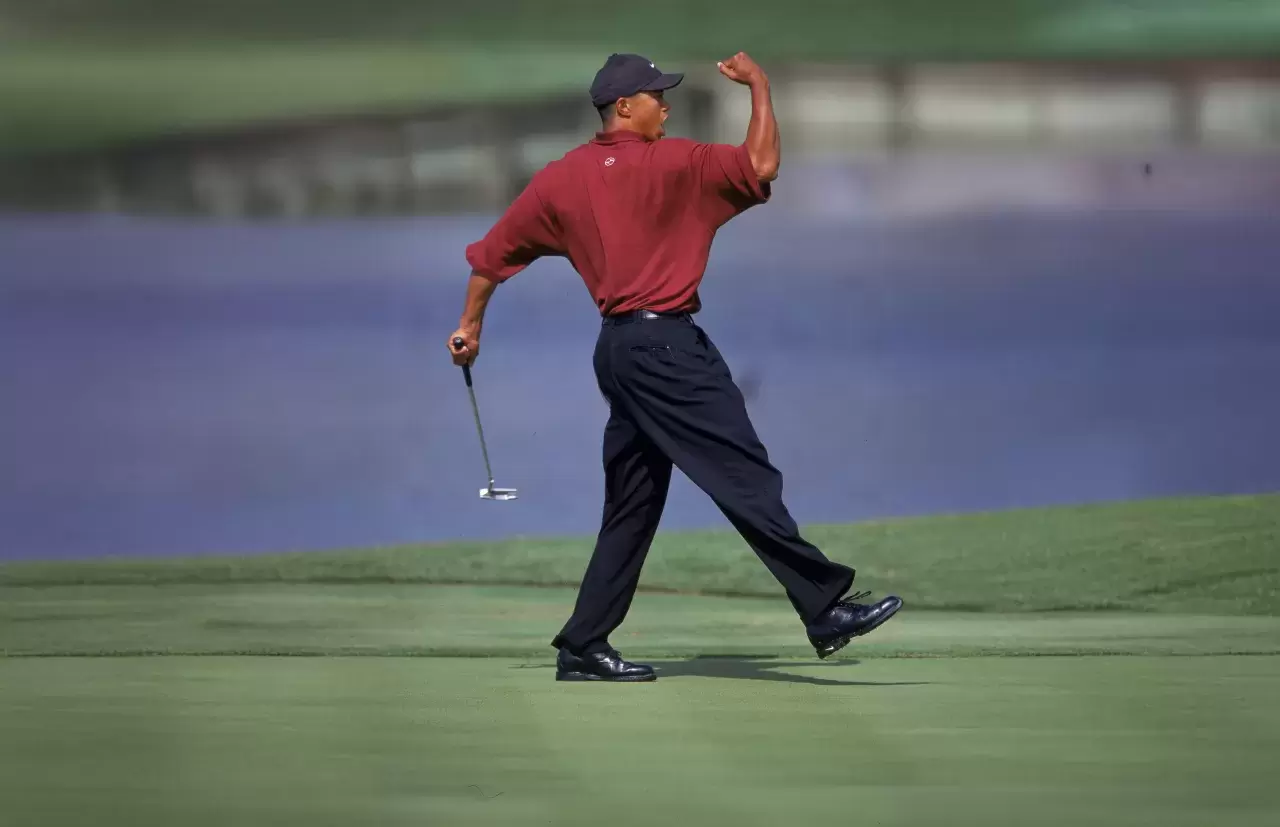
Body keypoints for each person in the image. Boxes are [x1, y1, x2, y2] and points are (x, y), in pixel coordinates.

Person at [447, 51, 902, 682]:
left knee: (633, 504)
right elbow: (763, 163)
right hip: (666, 351)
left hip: (619, 353)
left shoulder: (560, 177)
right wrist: (761, 89)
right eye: (657, 96)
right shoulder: (678, 161)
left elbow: (490, 258)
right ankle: (824, 606)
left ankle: (584, 644)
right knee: (743, 472)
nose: (667, 104)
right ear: (625, 107)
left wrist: (470, 325)